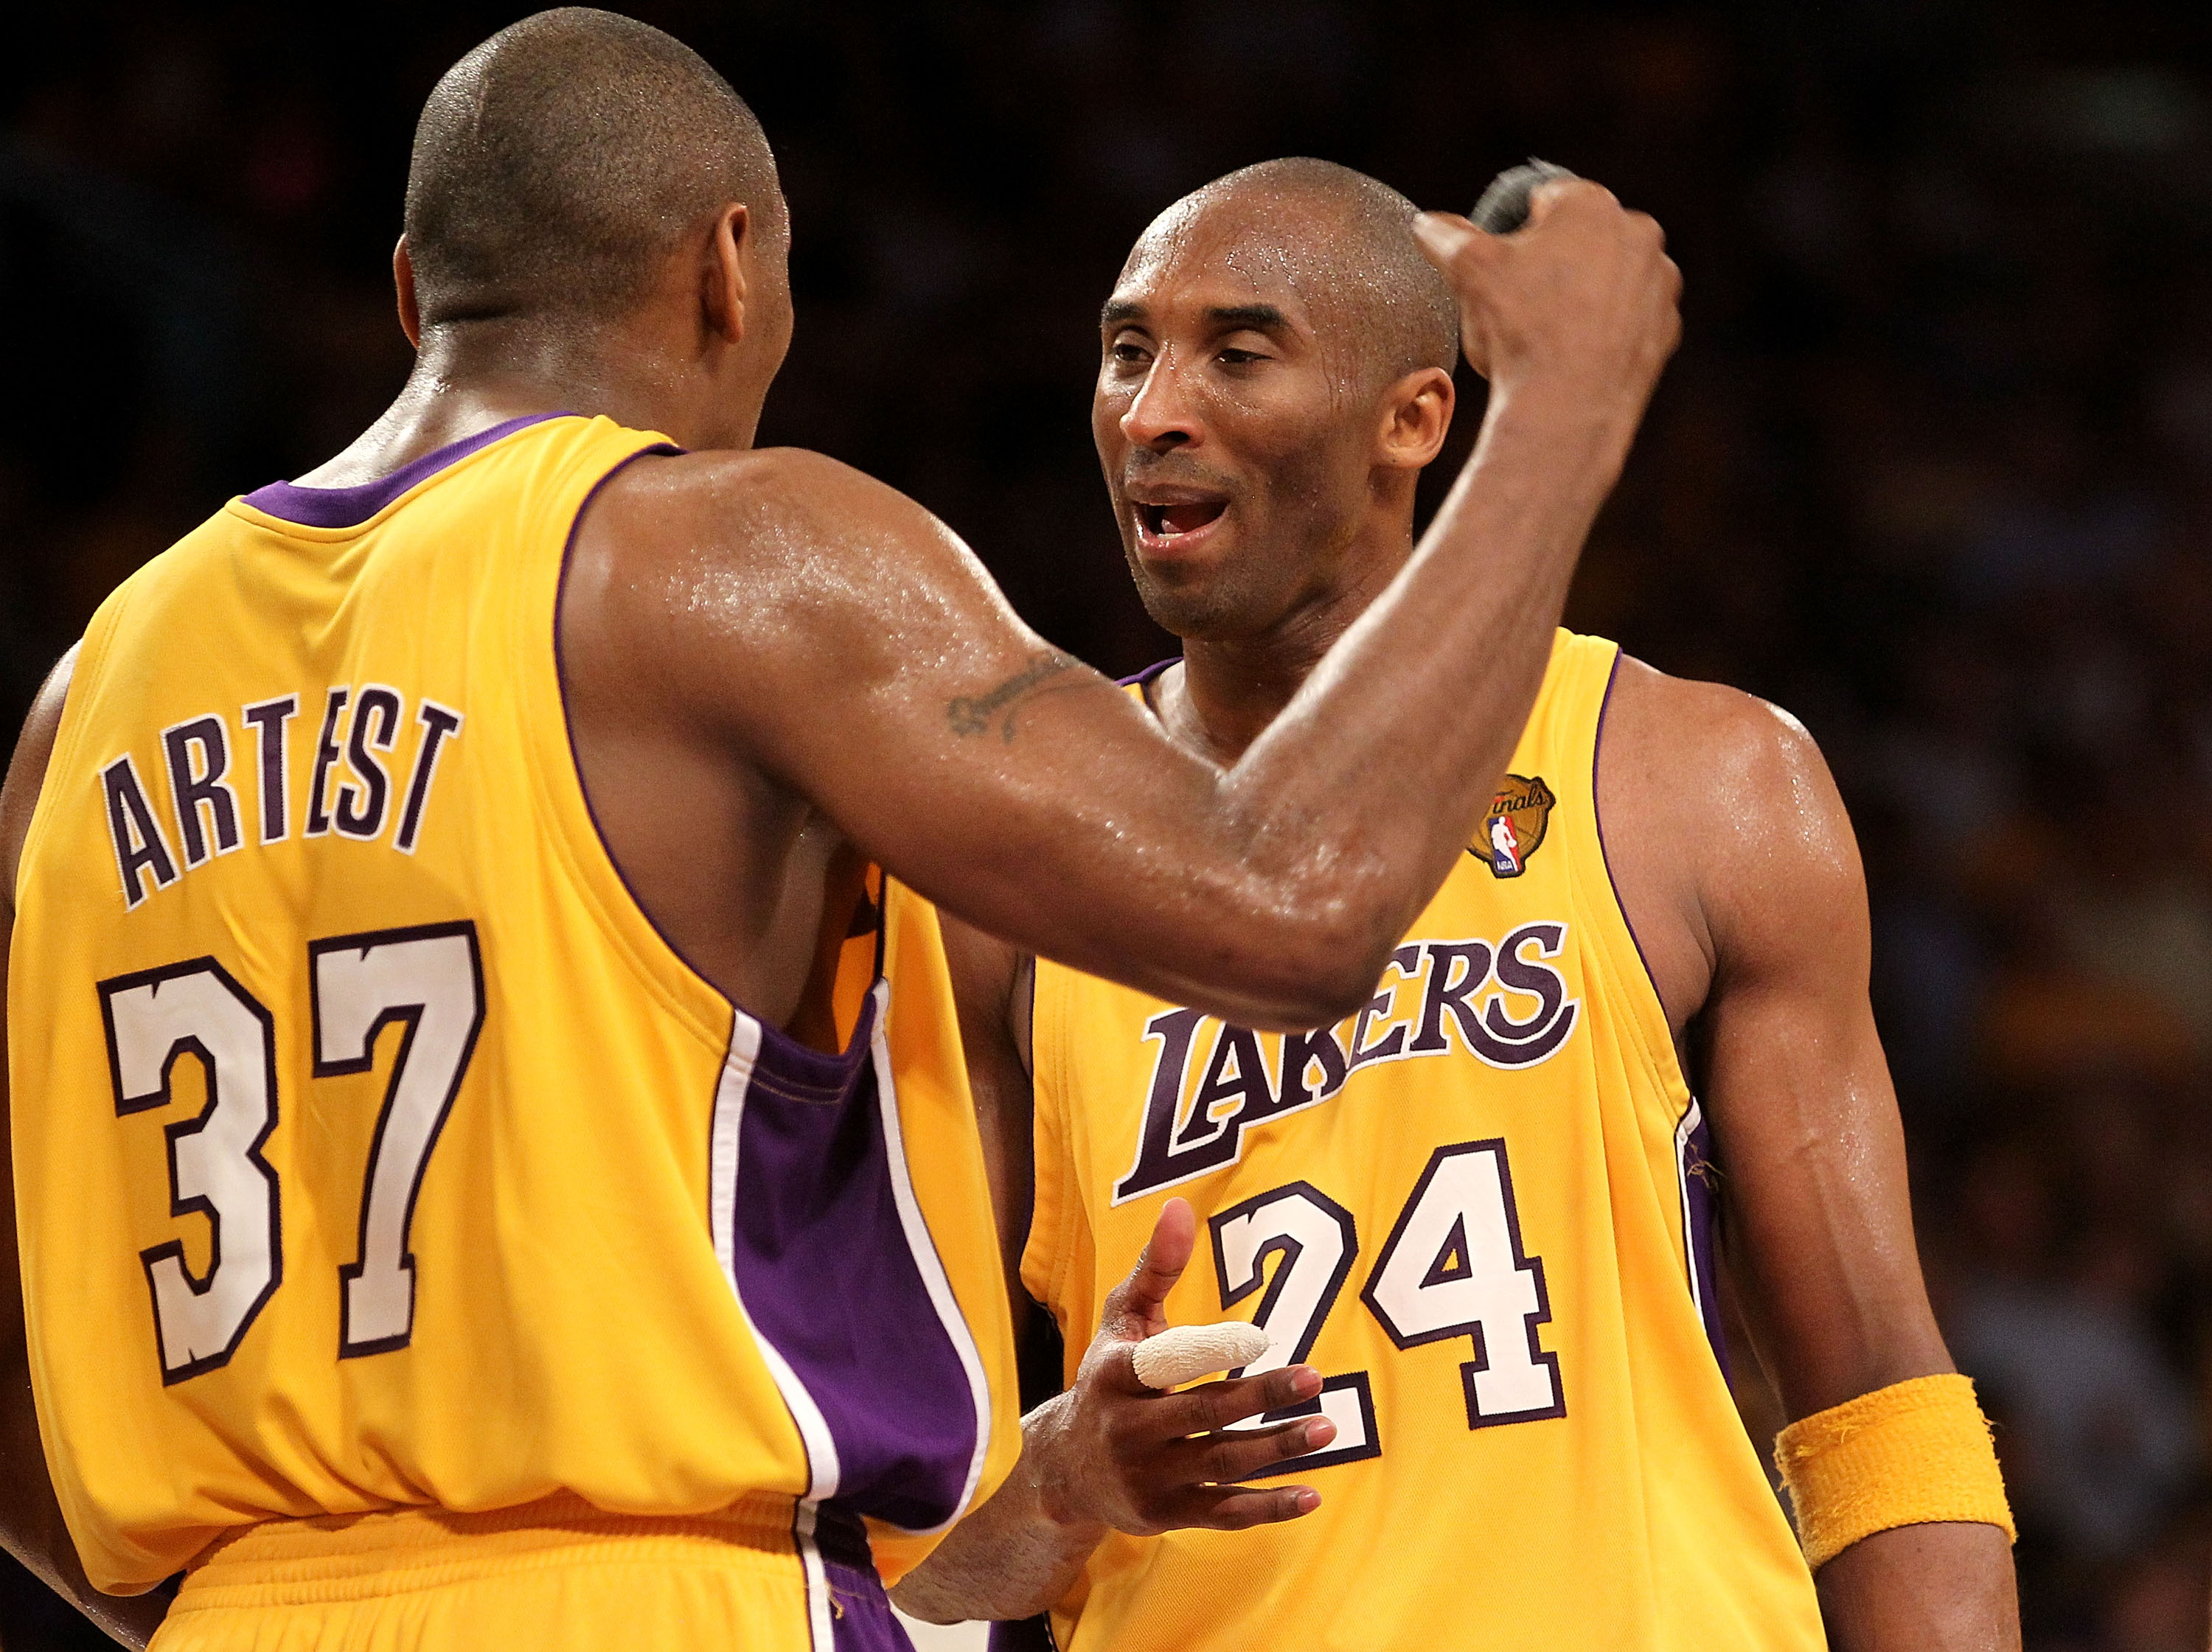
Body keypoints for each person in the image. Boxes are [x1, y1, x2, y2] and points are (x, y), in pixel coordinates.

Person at [0, 13, 1683, 1652]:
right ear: (734, 266)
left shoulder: (89, 699)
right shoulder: (725, 555)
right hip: (672, 1594)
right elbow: (1296, 906)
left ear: (408, 290)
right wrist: (1560, 413)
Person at [888, 159, 2021, 1651]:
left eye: (1238, 350)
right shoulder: (997, 875)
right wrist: (1065, 1478)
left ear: (1414, 421)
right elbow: (903, 1536)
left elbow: (1878, 1395)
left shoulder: (1699, 780)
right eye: (1124, 349)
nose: (1153, 408)